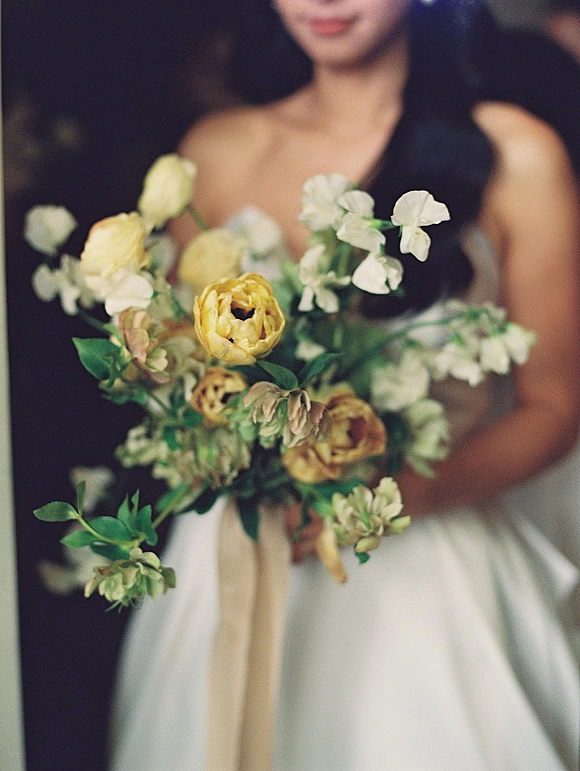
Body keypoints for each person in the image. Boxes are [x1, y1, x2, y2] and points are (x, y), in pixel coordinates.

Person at [109, 2, 580, 769]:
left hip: (426, 567)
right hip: (238, 556)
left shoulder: (516, 154)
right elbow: (182, 366)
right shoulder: (216, 150)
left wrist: (402, 491)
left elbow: (555, 408)